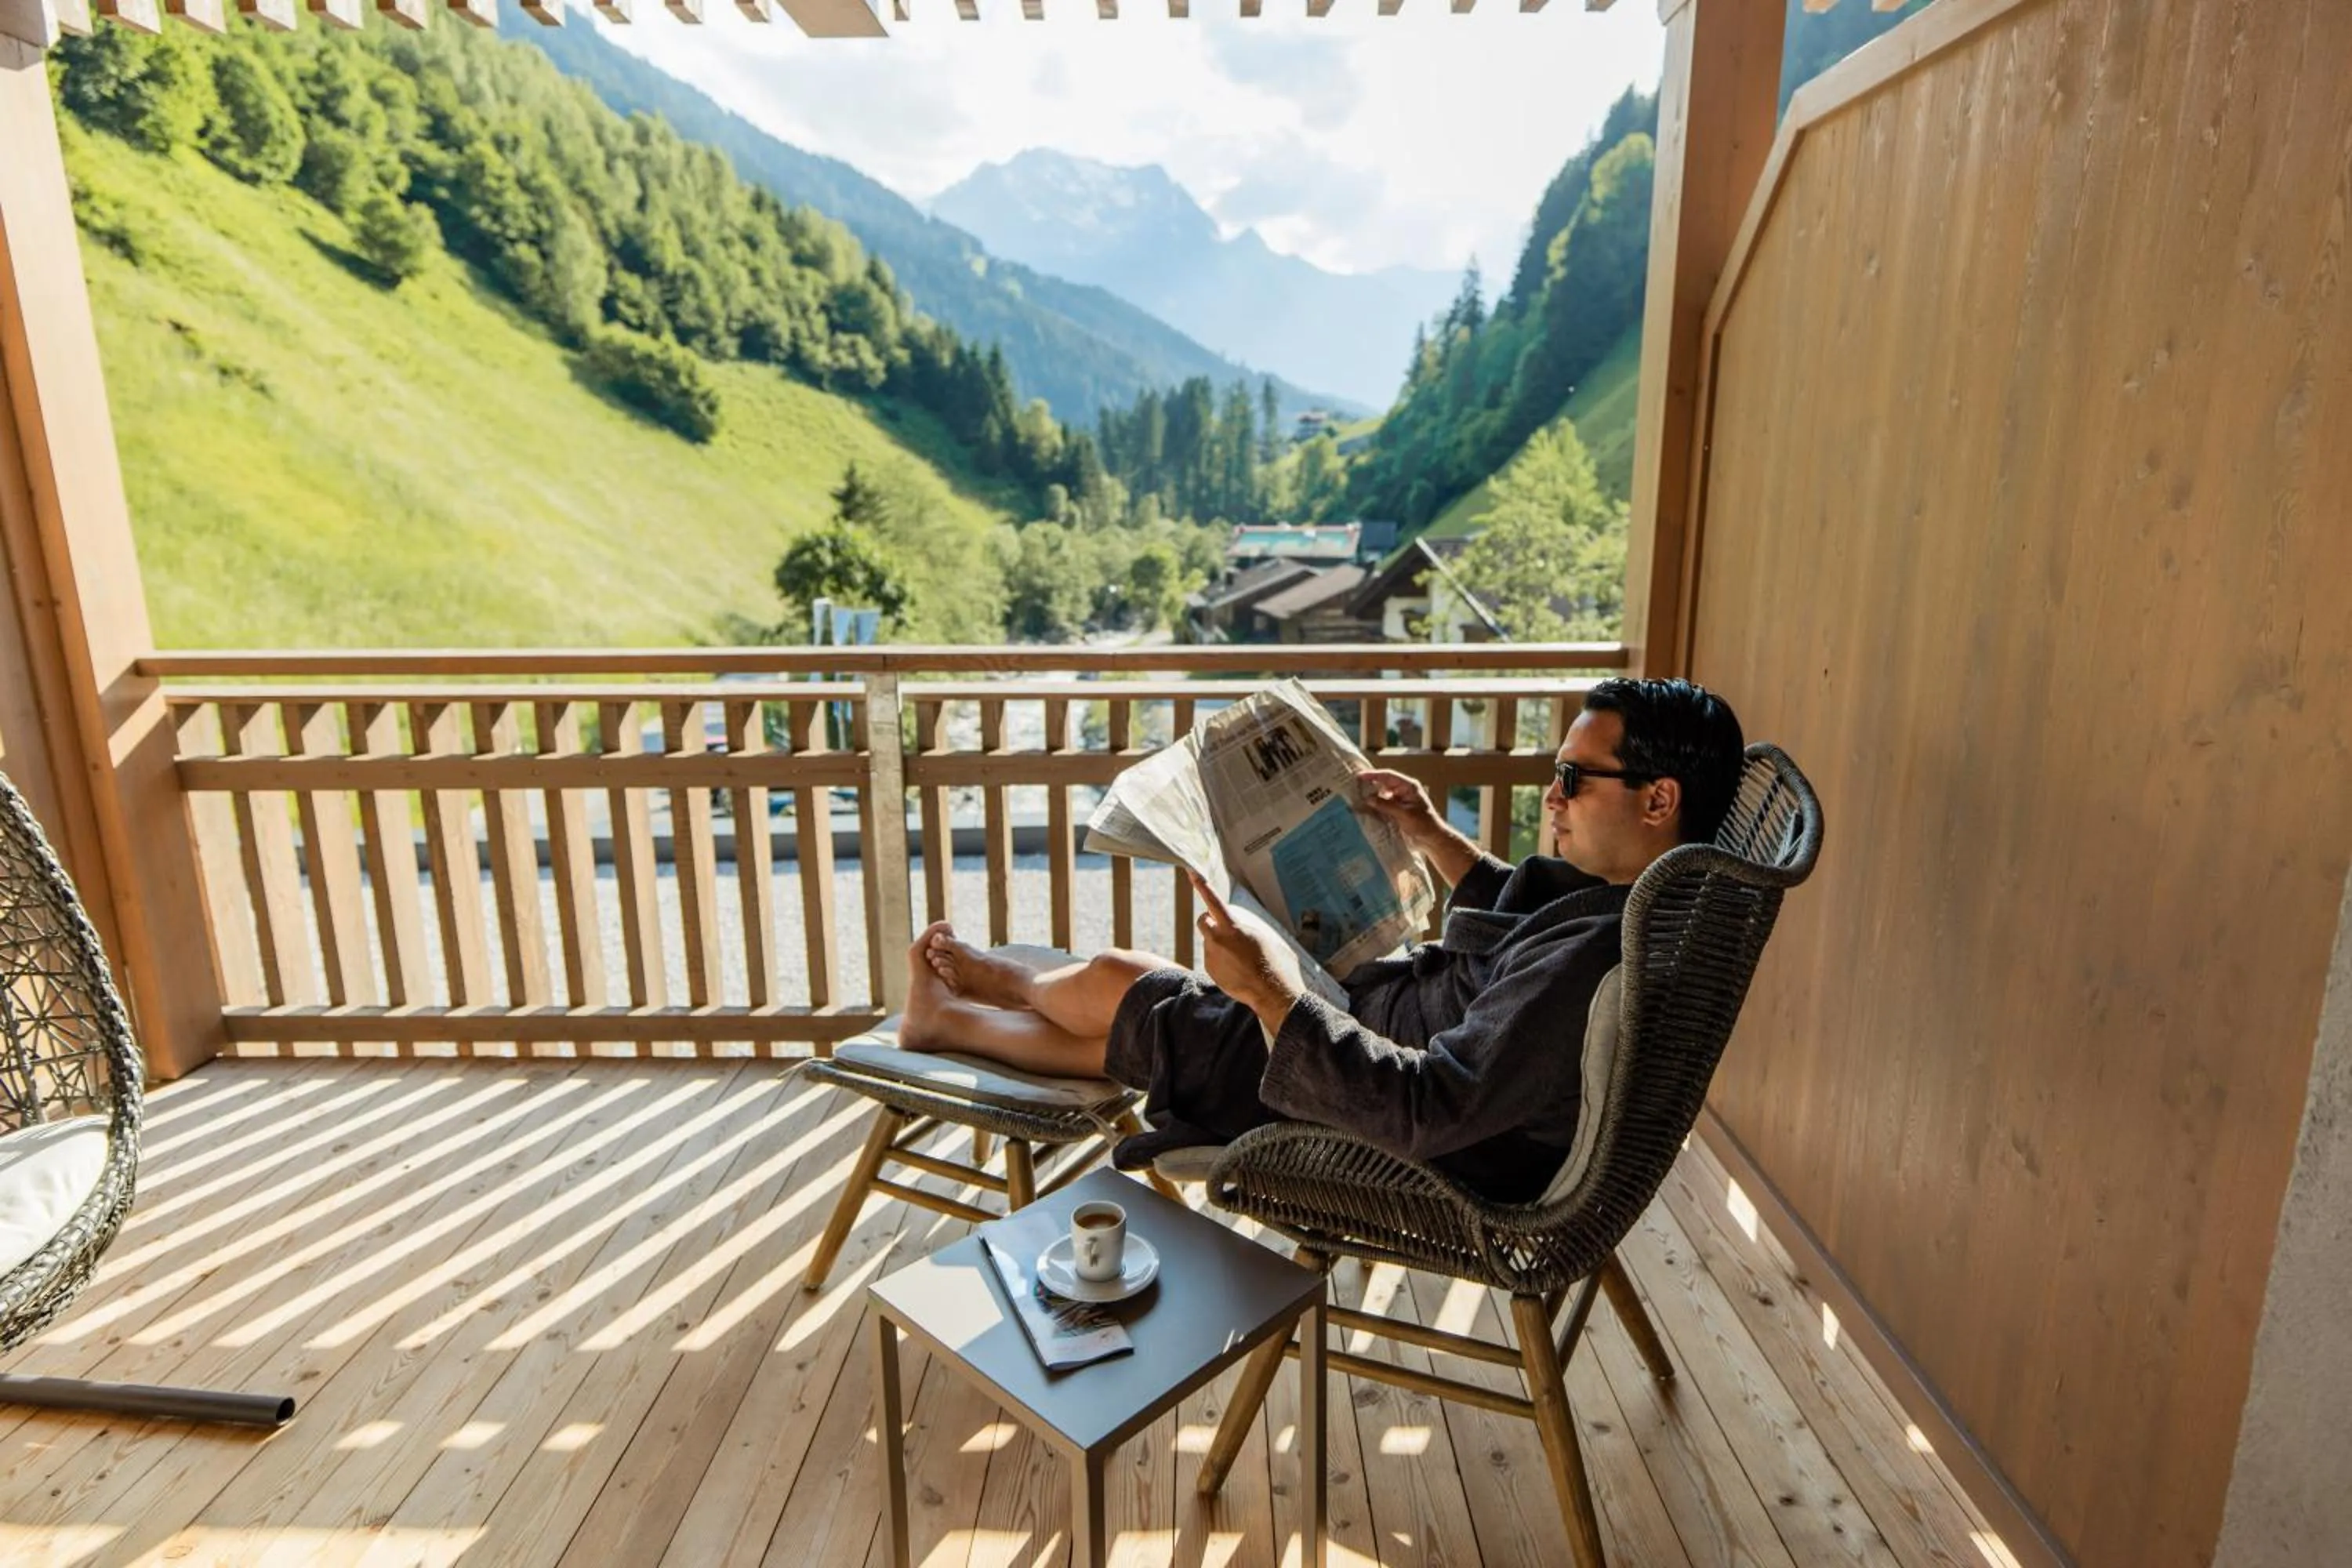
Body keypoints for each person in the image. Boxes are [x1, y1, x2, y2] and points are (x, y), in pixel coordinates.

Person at [898, 677, 1747, 1202]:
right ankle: (977, 1002)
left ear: (1658, 799)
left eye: (1572, 776)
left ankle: (970, 1004)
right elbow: (1512, 913)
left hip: (1360, 1099)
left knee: (1134, 985)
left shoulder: (1593, 963)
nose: (1551, 794)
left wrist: (1275, 992)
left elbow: (1427, 1109)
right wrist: (1424, 830)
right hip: (1382, 1026)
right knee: (1152, 1001)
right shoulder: (1631, 905)